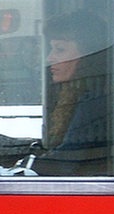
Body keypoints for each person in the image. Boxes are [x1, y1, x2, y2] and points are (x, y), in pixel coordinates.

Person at [36, 10, 110, 171]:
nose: (49, 58)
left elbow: (65, 162)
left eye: (60, 50)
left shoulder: (93, 102)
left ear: (88, 55)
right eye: (51, 49)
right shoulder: (72, 94)